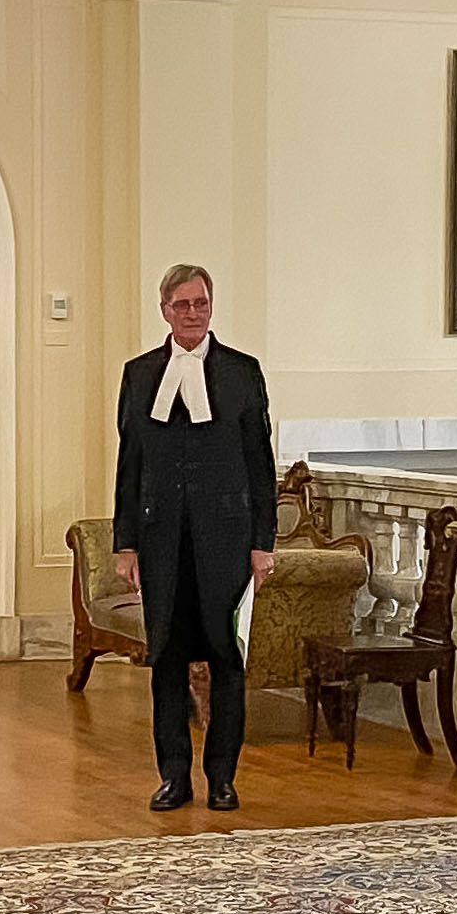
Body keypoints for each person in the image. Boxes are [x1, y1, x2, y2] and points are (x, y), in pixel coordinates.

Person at [113, 261, 278, 813]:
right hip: (162, 542)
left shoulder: (241, 371)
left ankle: (223, 778)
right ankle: (173, 777)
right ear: (164, 310)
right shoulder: (139, 374)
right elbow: (130, 465)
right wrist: (126, 543)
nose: (192, 313)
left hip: (226, 541)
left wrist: (263, 543)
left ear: (211, 307)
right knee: (167, 660)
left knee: (226, 659)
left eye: (200, 303)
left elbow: (260, 464)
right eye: (182, 304)